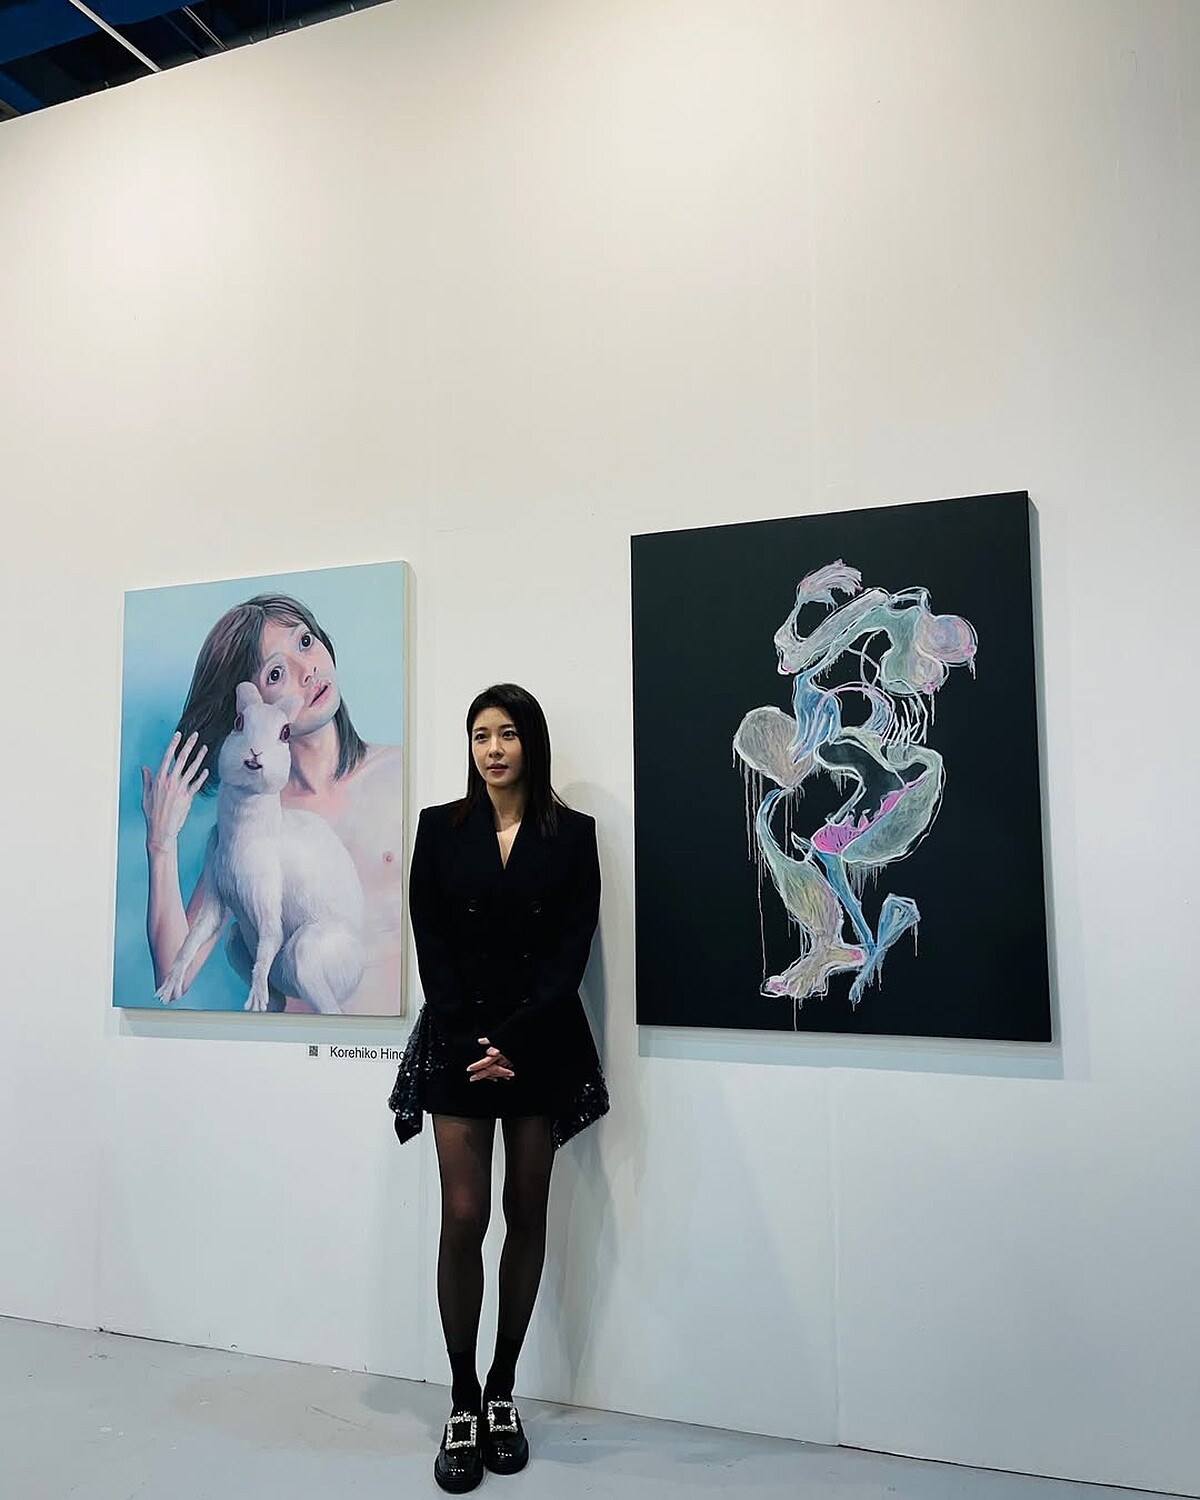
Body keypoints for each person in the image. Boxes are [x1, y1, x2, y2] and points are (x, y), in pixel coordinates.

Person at [388, 683, 609, 1492]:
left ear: (530, 742)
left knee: (527, 1212)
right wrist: (471, 1040)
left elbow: (570, 951)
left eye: (506, 733)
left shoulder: (573, 835)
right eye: (480, 735)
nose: (492, 749)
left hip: (538, 1045)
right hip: (457, 1040)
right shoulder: (439, 829)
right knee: (462, 1215)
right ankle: (460, 1397)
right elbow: (432, 941)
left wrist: (514, 1040)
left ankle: (502, 1391)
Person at [139, 592, 404, 1015]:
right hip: (291, 1052)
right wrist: (161, 844)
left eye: (305, 641)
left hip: (397, 1049)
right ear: (249, 709)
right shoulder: (249, 828)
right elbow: (172, 975)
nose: (307, 670)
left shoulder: (399, 773)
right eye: (276, 673)